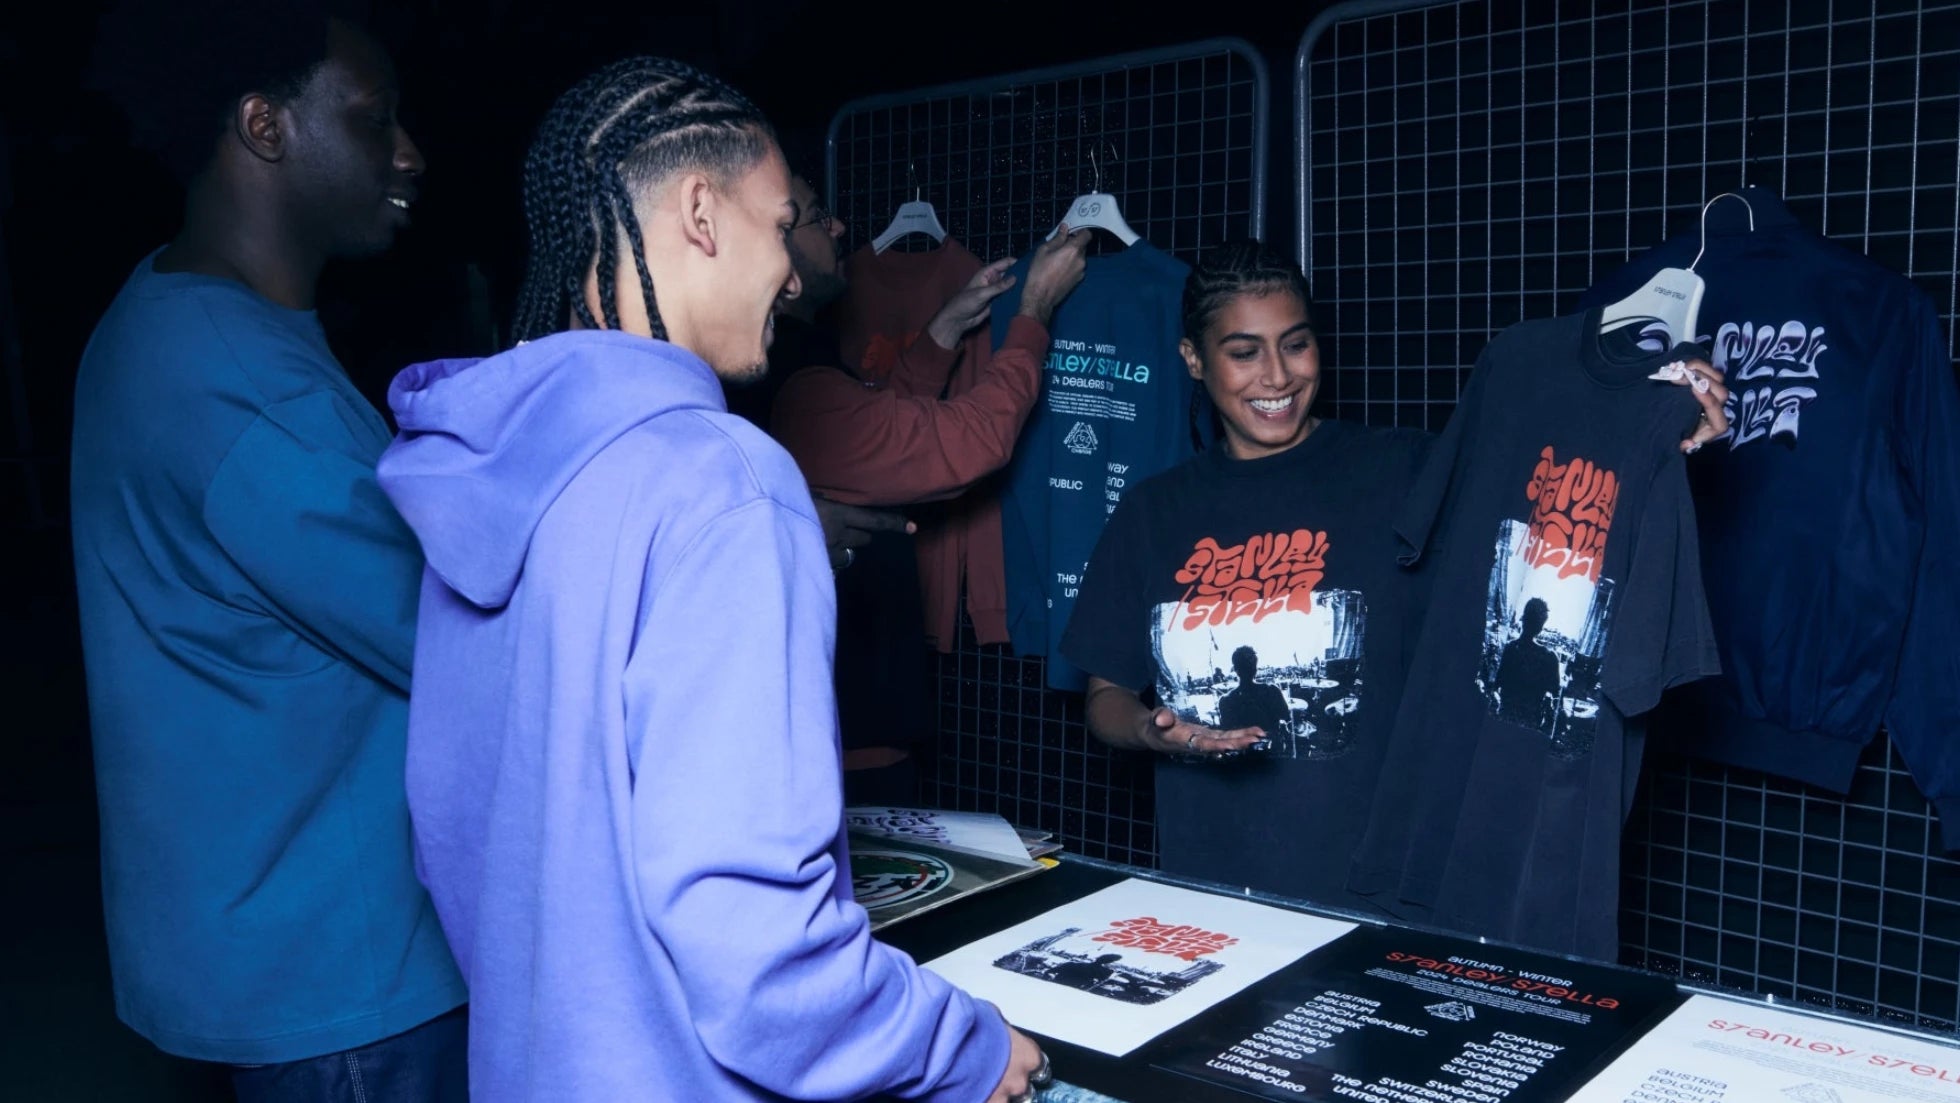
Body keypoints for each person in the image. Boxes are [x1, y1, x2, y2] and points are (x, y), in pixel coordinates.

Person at [374, 57, 1048, 1102]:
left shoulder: (484, 467)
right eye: (782, 226)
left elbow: (451, 837)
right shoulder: (725, 480)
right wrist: (962, 1047)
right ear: (700, 210)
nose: (794, 272)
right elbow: (762, 955)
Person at [1057, 240, 1731, 912]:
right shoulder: (1153, 511)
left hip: (1376, 900)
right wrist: (1153, 730)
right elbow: (1105, 694)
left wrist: (1657, 413)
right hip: (1209, 894)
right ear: (1194, 360)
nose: (1277, 375)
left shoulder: (1402, 469)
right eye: (1243, 352)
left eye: (1295, 344)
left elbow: (1548, 482)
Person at [70, 1, 467, 1097]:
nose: (407, 152)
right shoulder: (236, 381)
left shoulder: (173, 314)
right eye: (374, 118)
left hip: (269, 941)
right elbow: (456, 629)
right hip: (339, 975)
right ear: (264, 127)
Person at [762, 170, 1089, 801]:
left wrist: (943, 329)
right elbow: (970, 441)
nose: (838, 226)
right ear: (774, 243)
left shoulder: (795, 365)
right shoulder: (795, 387)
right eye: (813, 214)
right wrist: (1033, 314)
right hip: (845, 747)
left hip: (842, 726)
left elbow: (873, 423)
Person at [1494, 597, 1560, 731]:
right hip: (1530, 723)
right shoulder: (1550, 657)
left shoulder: (1508, 649)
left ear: (1523, 619)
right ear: (1541, 626)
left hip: (1504, 717)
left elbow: (1496, 683)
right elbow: (1554, 694)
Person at [1216, 645, 1292, 741]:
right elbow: (1286, 717)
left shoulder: (1226, 700)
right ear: (1255, 668)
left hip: (1244, 752)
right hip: (1273, 750)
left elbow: (1227, 732)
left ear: (1235, 669)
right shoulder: (1271, 691)